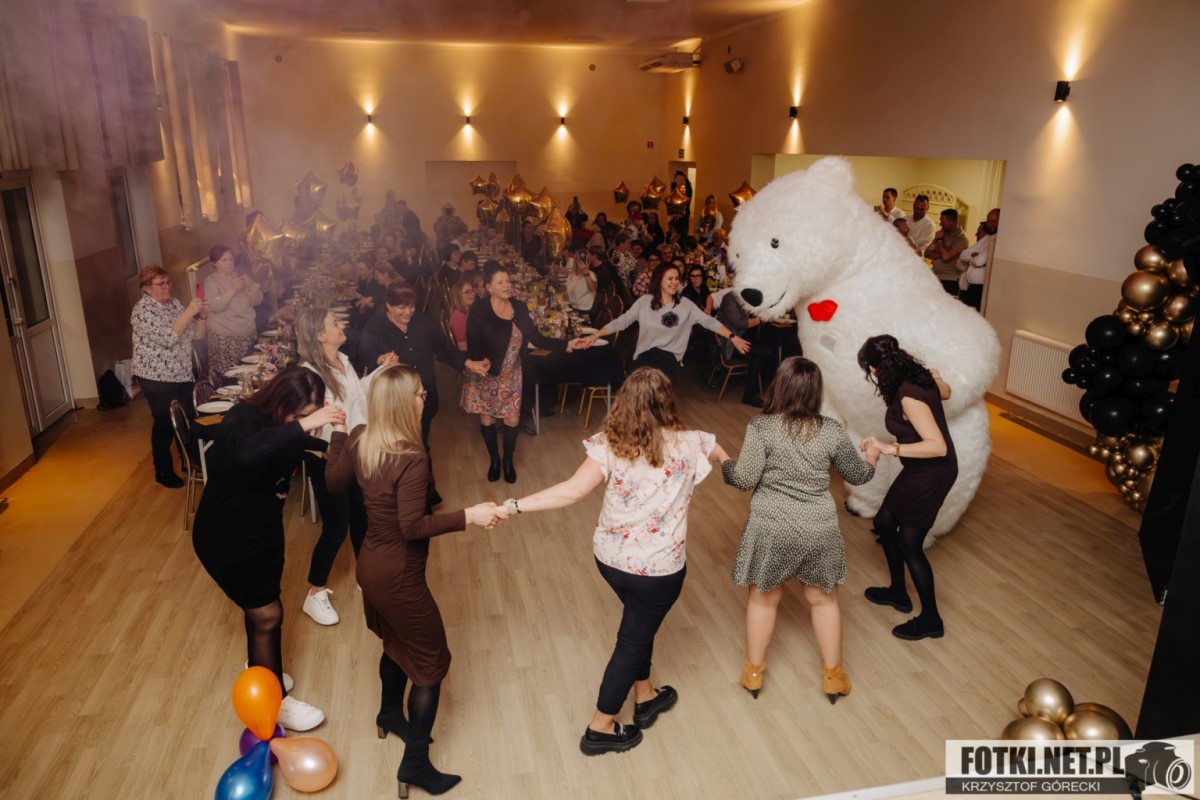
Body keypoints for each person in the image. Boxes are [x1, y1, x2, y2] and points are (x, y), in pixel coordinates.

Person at [497, 367, 718, 755]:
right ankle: (600, 727)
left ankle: (646, 696)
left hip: (611, 560)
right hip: (658, 571)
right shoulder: (692, 442)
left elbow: (571, 491)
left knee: (638, 625)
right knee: (631, 642)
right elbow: (727, 460)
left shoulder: (609, 443)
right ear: (668, 402)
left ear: (625, 402)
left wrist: (514, 506)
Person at [324, 364, 504, 797]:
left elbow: (333, 483)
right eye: (421, 393)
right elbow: (411, 527)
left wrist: (338, 434)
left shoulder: (361, 436)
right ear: (406, 404)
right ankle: (415, 766)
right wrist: (469, 516)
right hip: (398, 575)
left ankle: (389, 715)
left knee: (395, 643)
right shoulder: (412, 457)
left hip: (370, 566)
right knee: (431, 665)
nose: (425, 397)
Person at [711, 358, 876, 703]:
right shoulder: (831, 430)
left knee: (763, 598)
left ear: (779, 386)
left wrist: (722, 457)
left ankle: (753, 674)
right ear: (816, 391)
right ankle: (834, 677)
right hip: (818, 526)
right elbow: (859, 475)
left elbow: (743, 479)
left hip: (771, 525)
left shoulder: (762, 427)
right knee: (823, 599)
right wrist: (873, 455)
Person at [192, 366, 344, 731]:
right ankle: (276, 702)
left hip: (260, 528)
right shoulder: (243, 417)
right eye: (301, 415)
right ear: (281, 402)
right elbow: (249, 450)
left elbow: (284, 441)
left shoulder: (279, 424)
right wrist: (305, 426)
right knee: (267, 614)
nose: (306, 423)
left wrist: (322, 446)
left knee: (260, 607)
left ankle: (262, 668)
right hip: (227, 532)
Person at [296, 306, 396, 626]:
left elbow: (357, 397)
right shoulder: (309, 375)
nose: (342, 326)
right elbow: (306, 423)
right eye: (335, 323)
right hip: (329, 459)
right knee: (336, 528)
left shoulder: (343, 360)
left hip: (354, 451)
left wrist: (380, 370)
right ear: (320, 335)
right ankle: (314, 593)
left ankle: (365, 576)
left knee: (362, 517)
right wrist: (330, 449)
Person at [856, 335, 956, 641]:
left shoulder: (909, 394)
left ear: (875, 368)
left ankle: (931, 620)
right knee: (885, 522)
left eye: (869, 371)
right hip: (919, 470)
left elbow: (937, 446)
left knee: (910, 545)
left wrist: (889, 449)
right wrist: (937, 377)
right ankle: (898, 592)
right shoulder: (918, 377)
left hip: (932, 473)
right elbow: (946, 392)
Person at [462, 263, 587, 483]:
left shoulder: (519, 307)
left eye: (508, 281)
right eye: (500, 282)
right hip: (486, 372)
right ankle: (494, 460)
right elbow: (473, 341)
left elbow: (536, 338)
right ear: (489, 287)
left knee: (512, 419)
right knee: (487, 417)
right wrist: (479, 361)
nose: (506, 286)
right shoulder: (479, 310)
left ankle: (507, 460)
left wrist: (567, 344)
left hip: (512, 373)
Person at [581, 261, 748, 379]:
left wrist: (732, 337)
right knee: (635, 397)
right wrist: (596, 335)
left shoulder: (685, 305)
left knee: (655, 402)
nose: (675, 282)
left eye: (677, 278)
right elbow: (622, 321)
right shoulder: (645, 302)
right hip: (644, 356)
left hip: (669, 359)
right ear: (659, 280)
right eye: (670, 279)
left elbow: (709, 321)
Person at [359, 284, 474, 450]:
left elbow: (444, 347)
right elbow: (364, 355)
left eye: (411, 307)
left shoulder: (423, 322)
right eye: (401, 307)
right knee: (399, 442)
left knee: (421, 436)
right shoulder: (375, 327)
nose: (408, 312)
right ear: (389, 306)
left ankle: (421, 457)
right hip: (395, 397)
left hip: (425, 393)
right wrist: (380, 359)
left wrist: (467, 363)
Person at [131, 265, 207, 487]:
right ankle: (163, 472)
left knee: (189, 418)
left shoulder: (174, 304)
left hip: (181, 372)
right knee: (165, 422)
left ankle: (190, 462)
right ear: (147, 288)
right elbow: (167, 339)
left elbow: (196, 335)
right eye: (161, 284)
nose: (167, 287)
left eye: (168, 282)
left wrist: (202, 316)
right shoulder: (142, 311)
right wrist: (189, 312)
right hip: (156, 376)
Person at [203, 245, 264, 378]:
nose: (229, 263)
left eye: (231, 259)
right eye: (224, 260)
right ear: (214, 263)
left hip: (248, 332)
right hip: (224, 337)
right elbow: (214, 306)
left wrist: (249, 288)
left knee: (252, 372)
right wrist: (233, 289)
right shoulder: (210, 281)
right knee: (229, 376)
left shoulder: (242, 276)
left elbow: (258, 300)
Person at [957, 208, 999, 310]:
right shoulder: (987, 238)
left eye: (993, 221)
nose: (990, 224)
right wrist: (974, 257)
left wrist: (972, 260)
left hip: (981, 289)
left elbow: (978, 261)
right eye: (988, 221)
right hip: (970, 288)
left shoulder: (999, 239)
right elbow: (963, 255)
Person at [925, 209, 969, 295]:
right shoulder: (942, 234)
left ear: (952, 222)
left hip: (949, 280)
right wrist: (940, 254)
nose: (940, 224)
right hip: (935, 277)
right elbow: (927, 253)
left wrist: (939, 240)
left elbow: (945, 257)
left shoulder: (962, 238)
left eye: (943, 222)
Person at [565, 245, 598, 313]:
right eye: (578, 258)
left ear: (588, 262)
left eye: (583, 259)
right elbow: (566, 294)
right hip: (571, 309)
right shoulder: (571, 275)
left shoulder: (591, 274)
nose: (580, 261)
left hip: (584, 311)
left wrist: (585, 271)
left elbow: (592, 288)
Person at [447, 277, 475, 351]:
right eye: (467, 292)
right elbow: (463, 347)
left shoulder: (468, 312)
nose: (472, 294)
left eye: (472, 291)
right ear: (458, 296)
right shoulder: (459, 316)